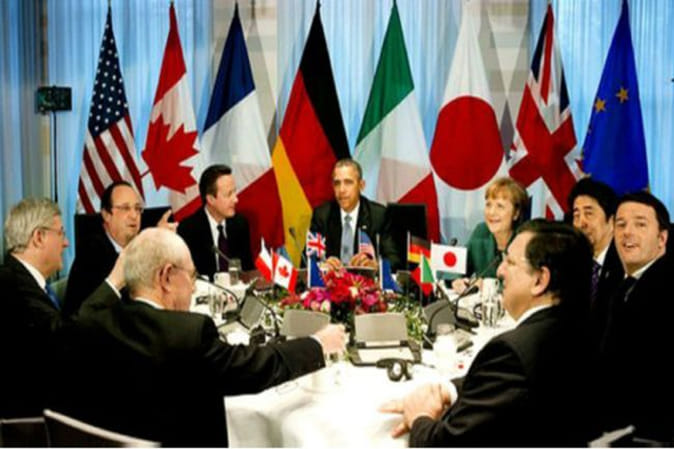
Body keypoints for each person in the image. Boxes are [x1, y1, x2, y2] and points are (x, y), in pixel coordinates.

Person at [51, 227, 346, 446]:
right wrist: (318, 344)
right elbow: (255, 367)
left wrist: (118, 276)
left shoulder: (95, 323)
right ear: (166, 276)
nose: (193, 288)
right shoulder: (188, 334)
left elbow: (86, 312)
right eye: (191, 276)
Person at [381, 220, 596, 446]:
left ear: (540, 280)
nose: (500, 271)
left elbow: (443, 444)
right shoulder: (579, 329)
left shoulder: (511, 353)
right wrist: (447, 390)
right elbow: (502, 385)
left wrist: (419, 416)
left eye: (510, 262)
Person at [0, 198, 122, 418]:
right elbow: (63, 336)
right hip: (32, 419)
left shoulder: (25, 280)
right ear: (39, 237)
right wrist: (114, 282)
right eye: (61, 233)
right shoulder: (11, 285)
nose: (66, 243)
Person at [596, 191, 673, 442]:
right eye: (621, 225)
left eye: (640, 224)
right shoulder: (625, 284)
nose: (627, 232)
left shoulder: (665, 290)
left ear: (662, 238)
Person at [64, 180, 174, 316]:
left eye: (137, 208)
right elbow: (127, 298)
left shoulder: (137, 244)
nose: (134, 215)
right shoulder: (92, 252)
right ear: (106, 214)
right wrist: (152, 240)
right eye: (125, 208)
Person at [310, 158, 400, 271]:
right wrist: (321, 266)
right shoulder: (322, 215)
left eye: (348, 182)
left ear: (361, 185)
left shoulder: (378, 215)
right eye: (337, 183)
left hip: (365, 281)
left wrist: (376, 266)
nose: (341, 190)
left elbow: (394, 260)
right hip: (333, 280)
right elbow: (307, 260)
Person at [451, 177, 528, 293]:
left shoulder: (525, 240)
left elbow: (525, 286)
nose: (491, 212)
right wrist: (457, 280)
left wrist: (487, 284)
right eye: (488, 205)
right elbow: (455, 266)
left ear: (516, 213)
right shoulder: (482, 231)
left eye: (500, 206)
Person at [178, 164, 254, 280]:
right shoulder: (188, 230)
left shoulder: (240, 224)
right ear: (211, 199)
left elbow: (247, 270)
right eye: (228, 194)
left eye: (234, 192)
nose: (236, 199)